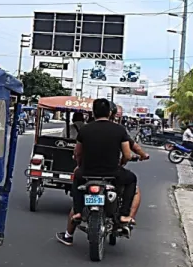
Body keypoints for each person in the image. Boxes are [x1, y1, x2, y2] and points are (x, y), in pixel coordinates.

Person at [55, 99, 141, 246]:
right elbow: (127, 155)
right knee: (132, 180)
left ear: (93, 113)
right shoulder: (119, 130)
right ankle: (125, 216)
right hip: (113, 174)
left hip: (88, 173)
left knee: (76, 179)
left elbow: (78, 153)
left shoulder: (85, 130)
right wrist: (125, 162)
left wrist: (79, 166)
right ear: (109, 113)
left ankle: (77, 212)